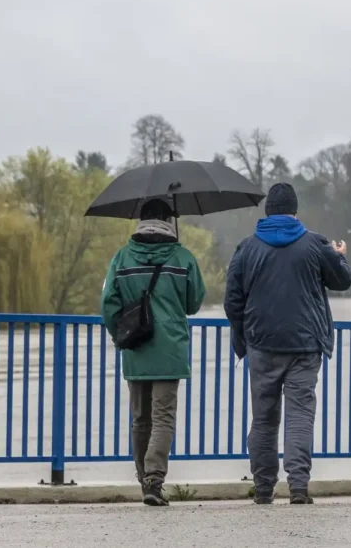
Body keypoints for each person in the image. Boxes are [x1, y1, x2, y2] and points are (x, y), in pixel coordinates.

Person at [224, 182, 351, 505]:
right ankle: (298, 487)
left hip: (262, 344)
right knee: (299, 415)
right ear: (295, 211)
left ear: (267, 212)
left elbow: (232, 302)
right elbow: (342, 281)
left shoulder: (246, 248)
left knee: (264, 417)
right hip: (305, 346)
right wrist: (340, 258)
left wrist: (244, 339)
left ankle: (264, 488)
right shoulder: (315, 244)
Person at [100, 199, 206, 506]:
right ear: (168, 221)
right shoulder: (182, 256)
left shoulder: (121, 258)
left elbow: (108, 303)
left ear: (141, 220)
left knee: (140, 418)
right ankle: (154, 480)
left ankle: (142, 478)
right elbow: (193, 303)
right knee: (163, 418)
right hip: (170, 348)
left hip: (136, 346)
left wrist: (120, 335)